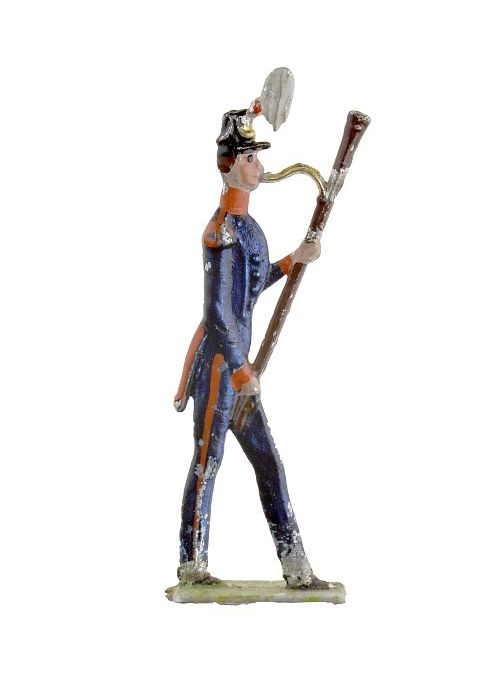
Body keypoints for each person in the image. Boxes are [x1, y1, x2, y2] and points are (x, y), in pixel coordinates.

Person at [173, 108, 332, 589]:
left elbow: (250, 287)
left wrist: (293, 259)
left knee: (268, 464)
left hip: (240, 370)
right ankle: (191, 565)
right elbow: (218, 313)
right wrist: (241, 369)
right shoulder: (220, 231)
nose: (259, 166)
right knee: (207, 462)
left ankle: (297, 569)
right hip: (221, 367)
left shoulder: (249, 227)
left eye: (257, 157)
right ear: (228, 165)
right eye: (249, 158)